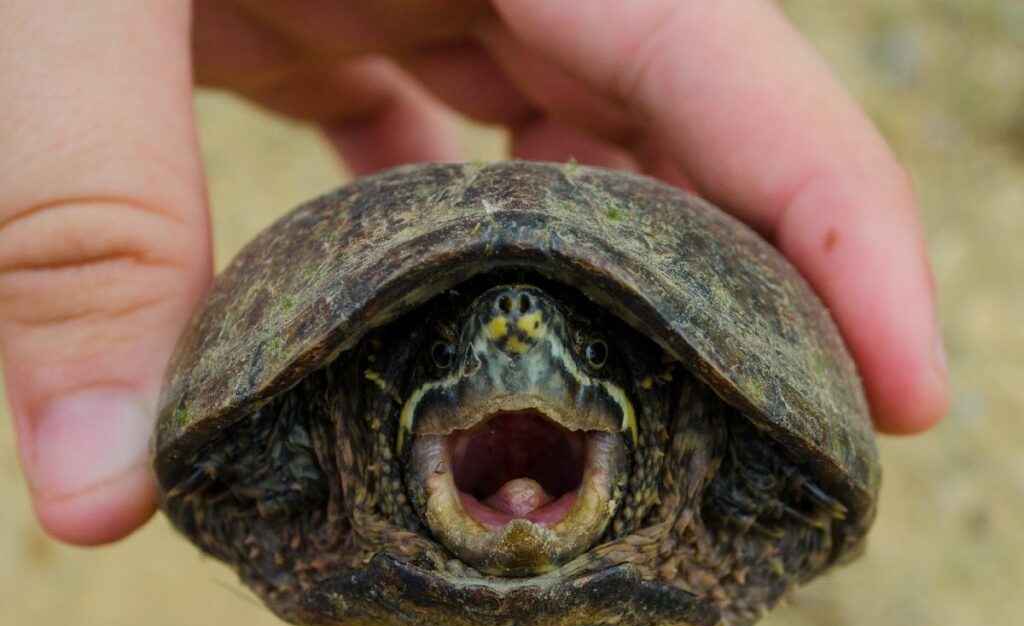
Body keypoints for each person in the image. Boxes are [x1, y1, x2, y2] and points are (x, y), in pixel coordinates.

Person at [0, 1, 947, 546]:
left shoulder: (708, 478)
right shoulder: (312, 461)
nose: (517, 362)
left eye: (574, 352)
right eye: (461, 352)